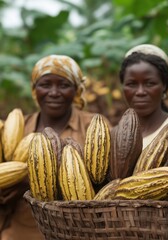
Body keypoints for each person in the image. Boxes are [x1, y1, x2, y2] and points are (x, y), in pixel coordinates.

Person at [0, 54, 111, 240]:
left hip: (80, 231)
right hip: (22, 231)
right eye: (45, 84)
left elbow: (109, 177)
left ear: (76, 90)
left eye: (64, 85)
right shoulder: (17, 127)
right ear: (35, 90)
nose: (54, 92)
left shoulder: (94, 125)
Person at [119, 44, 168, 149]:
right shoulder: (114, 135)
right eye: (132, 84)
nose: (140, 92)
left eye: (150, 83)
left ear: (164, 86)